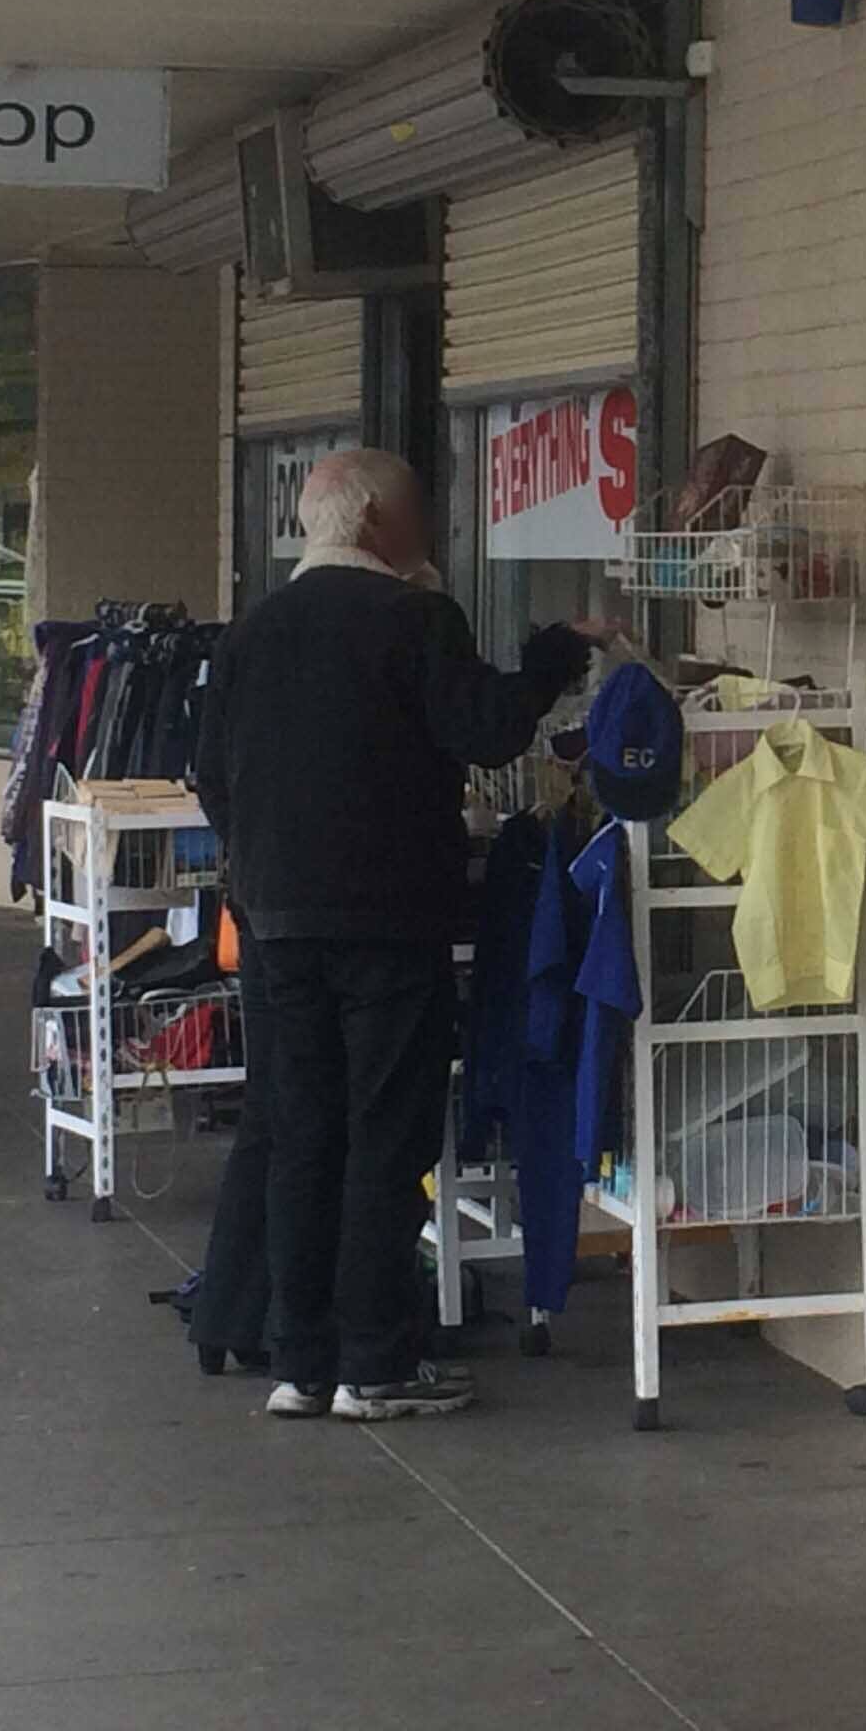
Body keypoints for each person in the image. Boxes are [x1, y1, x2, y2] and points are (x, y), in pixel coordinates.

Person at [193, 448, 602, 1421]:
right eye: (420, 512)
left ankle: (301, 1361)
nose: (431, 531)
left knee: (299, 1131)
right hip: (386, 918)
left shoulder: (253, 629)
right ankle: (374, 1361)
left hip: (277, 922)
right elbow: (485, 730)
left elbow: (209, 768)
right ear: (378, 520)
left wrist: (257, 871)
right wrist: (550, 659)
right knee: (386, 1134)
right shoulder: (415, 617)